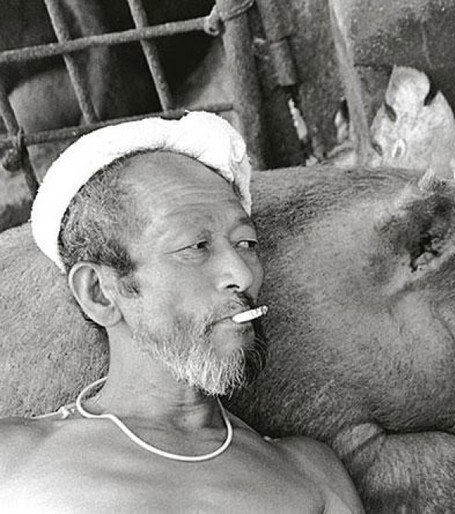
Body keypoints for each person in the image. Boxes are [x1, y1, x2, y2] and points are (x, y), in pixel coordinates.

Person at [0, 112, 364, 513]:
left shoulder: (311, 474)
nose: (243, 276)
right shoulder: (13, 459)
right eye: (196, 247)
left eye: (246, 243)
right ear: (100, 293)